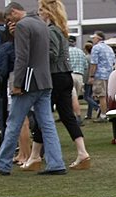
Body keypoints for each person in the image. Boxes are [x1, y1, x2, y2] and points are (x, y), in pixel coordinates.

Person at [0, 1, 65, 176]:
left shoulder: (23, 26)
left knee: (14, 122)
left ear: (13, 12)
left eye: (8, 18)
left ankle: (3, 163)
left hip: (29, 82)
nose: (9, 22)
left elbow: (22, 57)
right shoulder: (41, 25)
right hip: (45, 81)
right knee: (47, 124)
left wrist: (17, 84)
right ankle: (56, 163)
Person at [22, 0, 90, 170]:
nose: (38, 13)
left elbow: (51, 54)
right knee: (67, 116)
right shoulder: (60, 30)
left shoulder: (50, 31)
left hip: (54, 77)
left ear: (48, 12)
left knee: (43, 116)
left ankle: (35, 156)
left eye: (40, 10)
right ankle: (81, 152)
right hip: (64, 76)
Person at [87, 30, 115, 122]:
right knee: (107, 95)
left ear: (98, 38)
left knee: (101, 95)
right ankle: (108, 113)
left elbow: (94, 63)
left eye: (94, 38)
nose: (93, 40)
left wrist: (91, 76)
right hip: (109, 74)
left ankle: (103, 115)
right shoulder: (109, 48)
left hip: (100, 74)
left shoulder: (96, 48)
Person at [67, 34, 88, 124]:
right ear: (75, 42)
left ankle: (75, 117)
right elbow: (85, 66)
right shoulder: (80, 52)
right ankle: (77, 116)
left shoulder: (66, 51)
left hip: (69, 75)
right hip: (79, 76)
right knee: (75, 98)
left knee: (71, 97)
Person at [82, 42, 99, 120]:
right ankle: (89, 114)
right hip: (94, 78)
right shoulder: (94, 57)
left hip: (87, 79)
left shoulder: (86, 57)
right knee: (90, 96)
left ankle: (97, 107)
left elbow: (85, 69)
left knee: (86, 97)